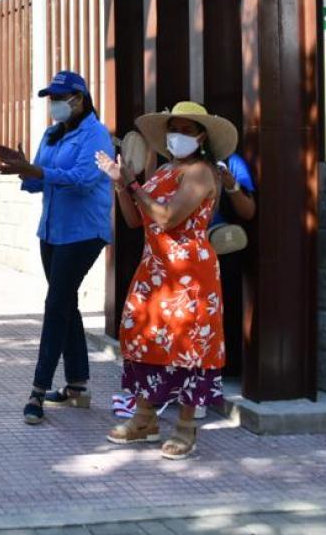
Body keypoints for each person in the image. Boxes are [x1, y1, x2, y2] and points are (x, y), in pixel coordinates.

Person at [95, 101, 236, 460]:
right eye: (174, 128)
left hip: (189, 273)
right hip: (155, 270)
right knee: (144, 337)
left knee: (189, 343)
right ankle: (145, 418)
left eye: (187, 129)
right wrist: (120, 186)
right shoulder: (164, 171)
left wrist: (133, 183)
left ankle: (186, 425)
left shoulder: (202, 172)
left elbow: (169, 218)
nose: (178, 136)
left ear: (202, 136)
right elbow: (134, 220)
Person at [0, 71, 113, 426]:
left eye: (61, 98)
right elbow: (37, 184)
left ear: (80, 99)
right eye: (52, 98)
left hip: (84, 232)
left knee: (56, 304)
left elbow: (83, 180)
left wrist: (36, 170)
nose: (55, 105)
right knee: (66, 302)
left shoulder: (97, 135)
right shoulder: (51, 134)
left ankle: (37, 391)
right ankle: (77, 385)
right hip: (52, 230)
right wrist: (22, 170)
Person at [212, 149, 256, 379]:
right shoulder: (175, 165)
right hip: (184, 252)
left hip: (223, 248)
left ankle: (223, 368)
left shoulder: (231, 162)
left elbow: (248, 211)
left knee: (224, 307)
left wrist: (231, 185)